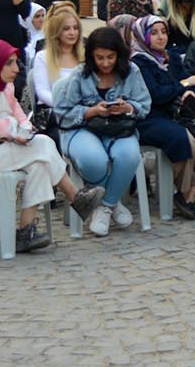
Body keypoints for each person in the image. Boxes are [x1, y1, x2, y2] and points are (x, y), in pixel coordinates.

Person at [0, 39, 104, 253]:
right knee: (43, 144)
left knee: (39, 163)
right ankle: (75, 197)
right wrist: (18, 131)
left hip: (2, 148)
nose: (16, 69)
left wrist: (24, 127)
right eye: (9, 63)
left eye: (15, 62)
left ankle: (25, 231)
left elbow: (19, 114)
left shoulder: (3, 85)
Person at [53, 27, 153, 237]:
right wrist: (90, 111)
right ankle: (113, 203)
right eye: (100, 58)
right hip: (81, 128)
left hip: (118, 128)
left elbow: (144, 104)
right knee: (93, 159)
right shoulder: (81, 74)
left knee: (129, 155)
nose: (106, 63)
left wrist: (128, 107)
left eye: (110, 57)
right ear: (91, 56)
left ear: (119, 55)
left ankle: (105, 206)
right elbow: (62, 113)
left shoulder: (131, 71)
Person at [128, 15, 195, 218]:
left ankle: (189, 195)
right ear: (142, 36)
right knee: (185, 140)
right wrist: (184, 86)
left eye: (163, 32)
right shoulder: (139, 63)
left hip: (180, 113)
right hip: (152, 116)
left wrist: (189, 89)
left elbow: (183, 83)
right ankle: (180, 191)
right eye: (153, 33)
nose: (161, 37)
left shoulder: (170, 57)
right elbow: (154, 94)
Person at [30, 3, 84, 136]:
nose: (72, 33)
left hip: (82, 111)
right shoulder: (42, 57)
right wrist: (65, 106)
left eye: (75, 28)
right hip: (54, 112)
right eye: (66, 29)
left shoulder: (86, 56)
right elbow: (42, 92)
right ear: (56, 31)